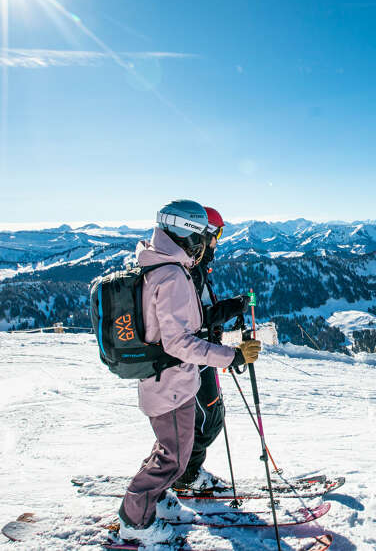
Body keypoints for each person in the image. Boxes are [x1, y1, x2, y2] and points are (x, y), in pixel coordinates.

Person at [118, 199, 262, 546]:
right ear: (192, 235)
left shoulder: (167, 266)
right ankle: (135, 520)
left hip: (171, 381)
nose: (208, 245)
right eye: (207, 236)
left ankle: (159, 500)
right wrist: (231, 356)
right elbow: (179, 342)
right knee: (175, 456)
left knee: (171, 449)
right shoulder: (172, 275)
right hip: (169, 381)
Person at [173, 206, 250, 493]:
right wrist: (231, 308)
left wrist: (231, 307)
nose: (218, 241)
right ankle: (187, 476)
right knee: (209, 419)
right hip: (196, 355)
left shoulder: (197, 267)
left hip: (201, 352)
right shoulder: (190, 271)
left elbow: (202, 312)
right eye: (217, 234)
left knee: (198, 418)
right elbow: (196, 320)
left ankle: (182, 470)